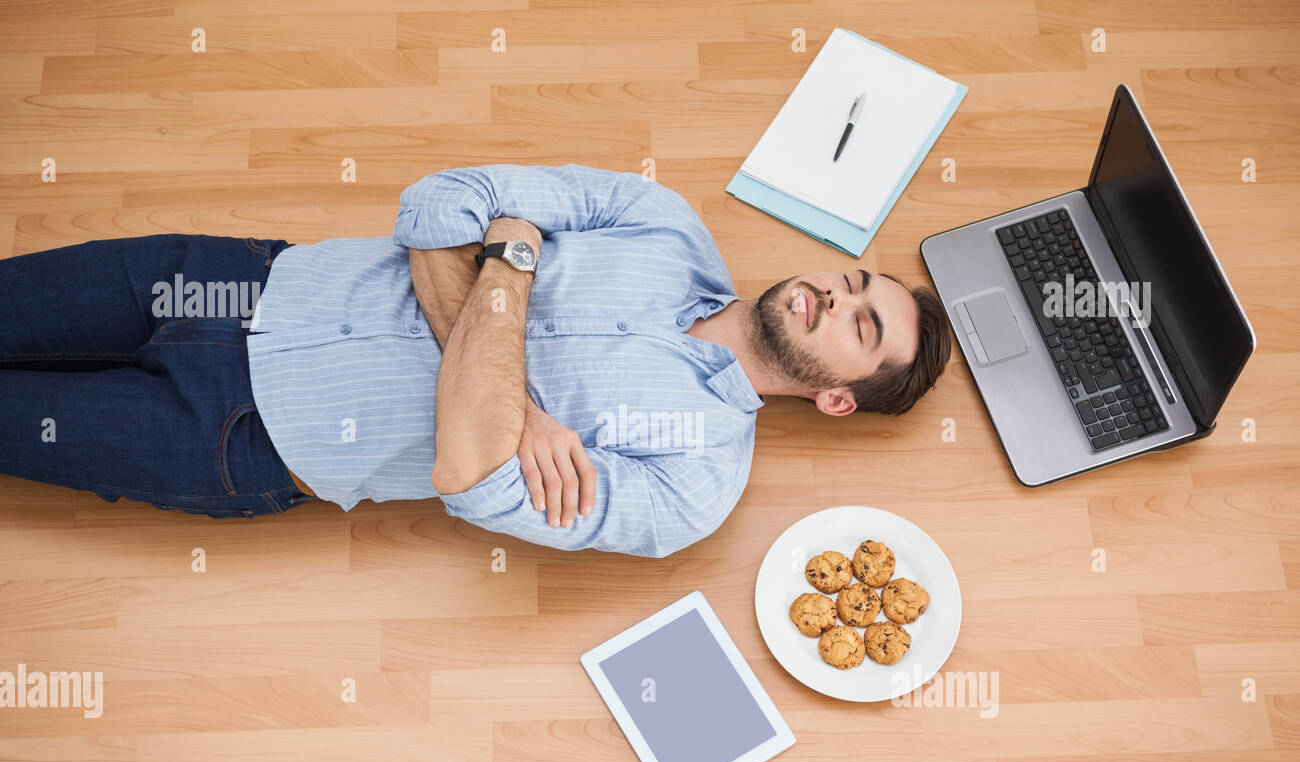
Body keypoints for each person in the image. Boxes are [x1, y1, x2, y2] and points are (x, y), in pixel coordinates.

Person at [0, 164, 950, 557]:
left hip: (239, 442)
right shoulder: (664, 223)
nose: (836, 298)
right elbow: (444, 197)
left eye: (860, 328)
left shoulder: (694, 486)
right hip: (236, 280)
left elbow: (469, 473)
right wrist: (515, 405)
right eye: (856, 282)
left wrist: (514, 251)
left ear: (836, 398)